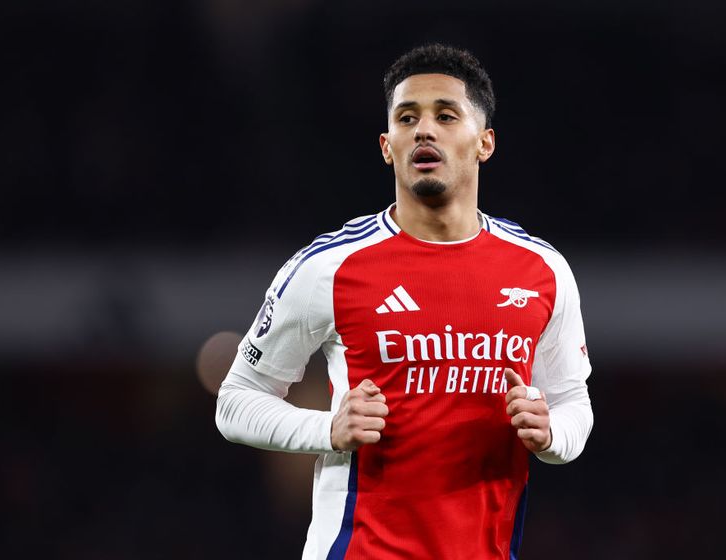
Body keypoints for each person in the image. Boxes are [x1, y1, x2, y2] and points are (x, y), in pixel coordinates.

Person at [216, 43, 593, 560]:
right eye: (407, 117)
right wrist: (325, 428)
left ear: (484, 142)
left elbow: (574, 402)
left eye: (445, 115)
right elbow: (235, 400)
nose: (424, 129)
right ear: (387, 146)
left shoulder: (543, 270)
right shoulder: (328, 268)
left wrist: (553, 436)